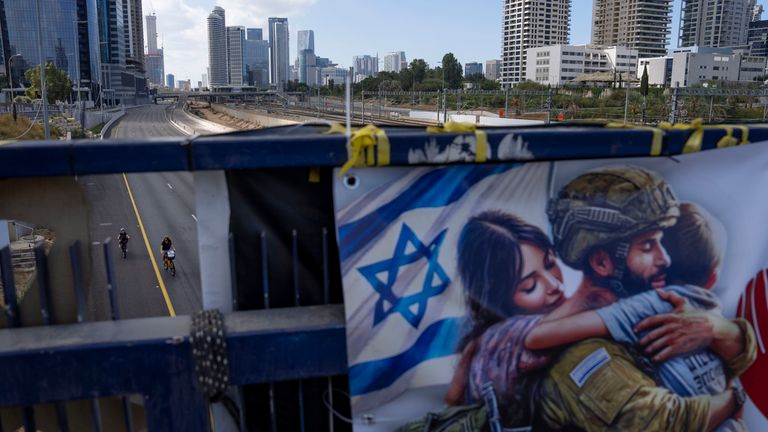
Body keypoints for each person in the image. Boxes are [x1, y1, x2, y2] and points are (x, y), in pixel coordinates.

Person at [532, 165, 756, 431]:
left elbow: (739, 355)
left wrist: (714, 329)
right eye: (648, 246)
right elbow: (663, 424)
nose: (665, 259)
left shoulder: (655, 311)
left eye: (661, 242)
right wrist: (735, 398)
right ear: (602, 262)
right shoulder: (582, 356)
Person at [444, 210, 566, 426]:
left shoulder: (480, 344)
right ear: (497, 298)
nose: (555, 286)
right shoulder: (508, 336)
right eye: (530, 286)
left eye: (550, 264)